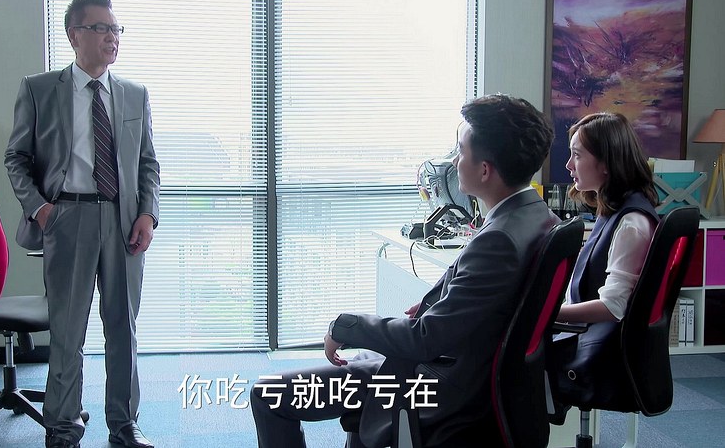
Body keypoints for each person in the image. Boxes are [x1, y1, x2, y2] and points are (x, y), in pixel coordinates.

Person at [250, 94, 558, 448]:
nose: (455, 161)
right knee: (365, 357)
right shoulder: (535, 216)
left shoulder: (498, 240)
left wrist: (346, 325)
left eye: (461, 152)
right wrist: (439, 304)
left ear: (485, 170)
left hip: (434, 384)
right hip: (469, 373)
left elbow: (425, 338)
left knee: (268, 394)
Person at [4, 0, 159, 448]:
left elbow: (148, 162)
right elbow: (16, 157)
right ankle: (63, 425)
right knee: (68, 331)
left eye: (116, 29)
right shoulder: (39, 89)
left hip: (122, 222)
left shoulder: (134, 94)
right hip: (66, 217)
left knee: (123, 329)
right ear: (74, 35)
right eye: (101, 28)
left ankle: (124, 424)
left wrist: (147, 214)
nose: (112, 37)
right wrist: (41, 209)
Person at [548, 112, 659, 419]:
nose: (568, 165)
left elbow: (613, 306)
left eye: (577, 155)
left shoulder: (631, 223)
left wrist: (548, 312)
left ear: (606, 163)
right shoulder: (613, 209)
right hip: (592, 337)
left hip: (599, 351)